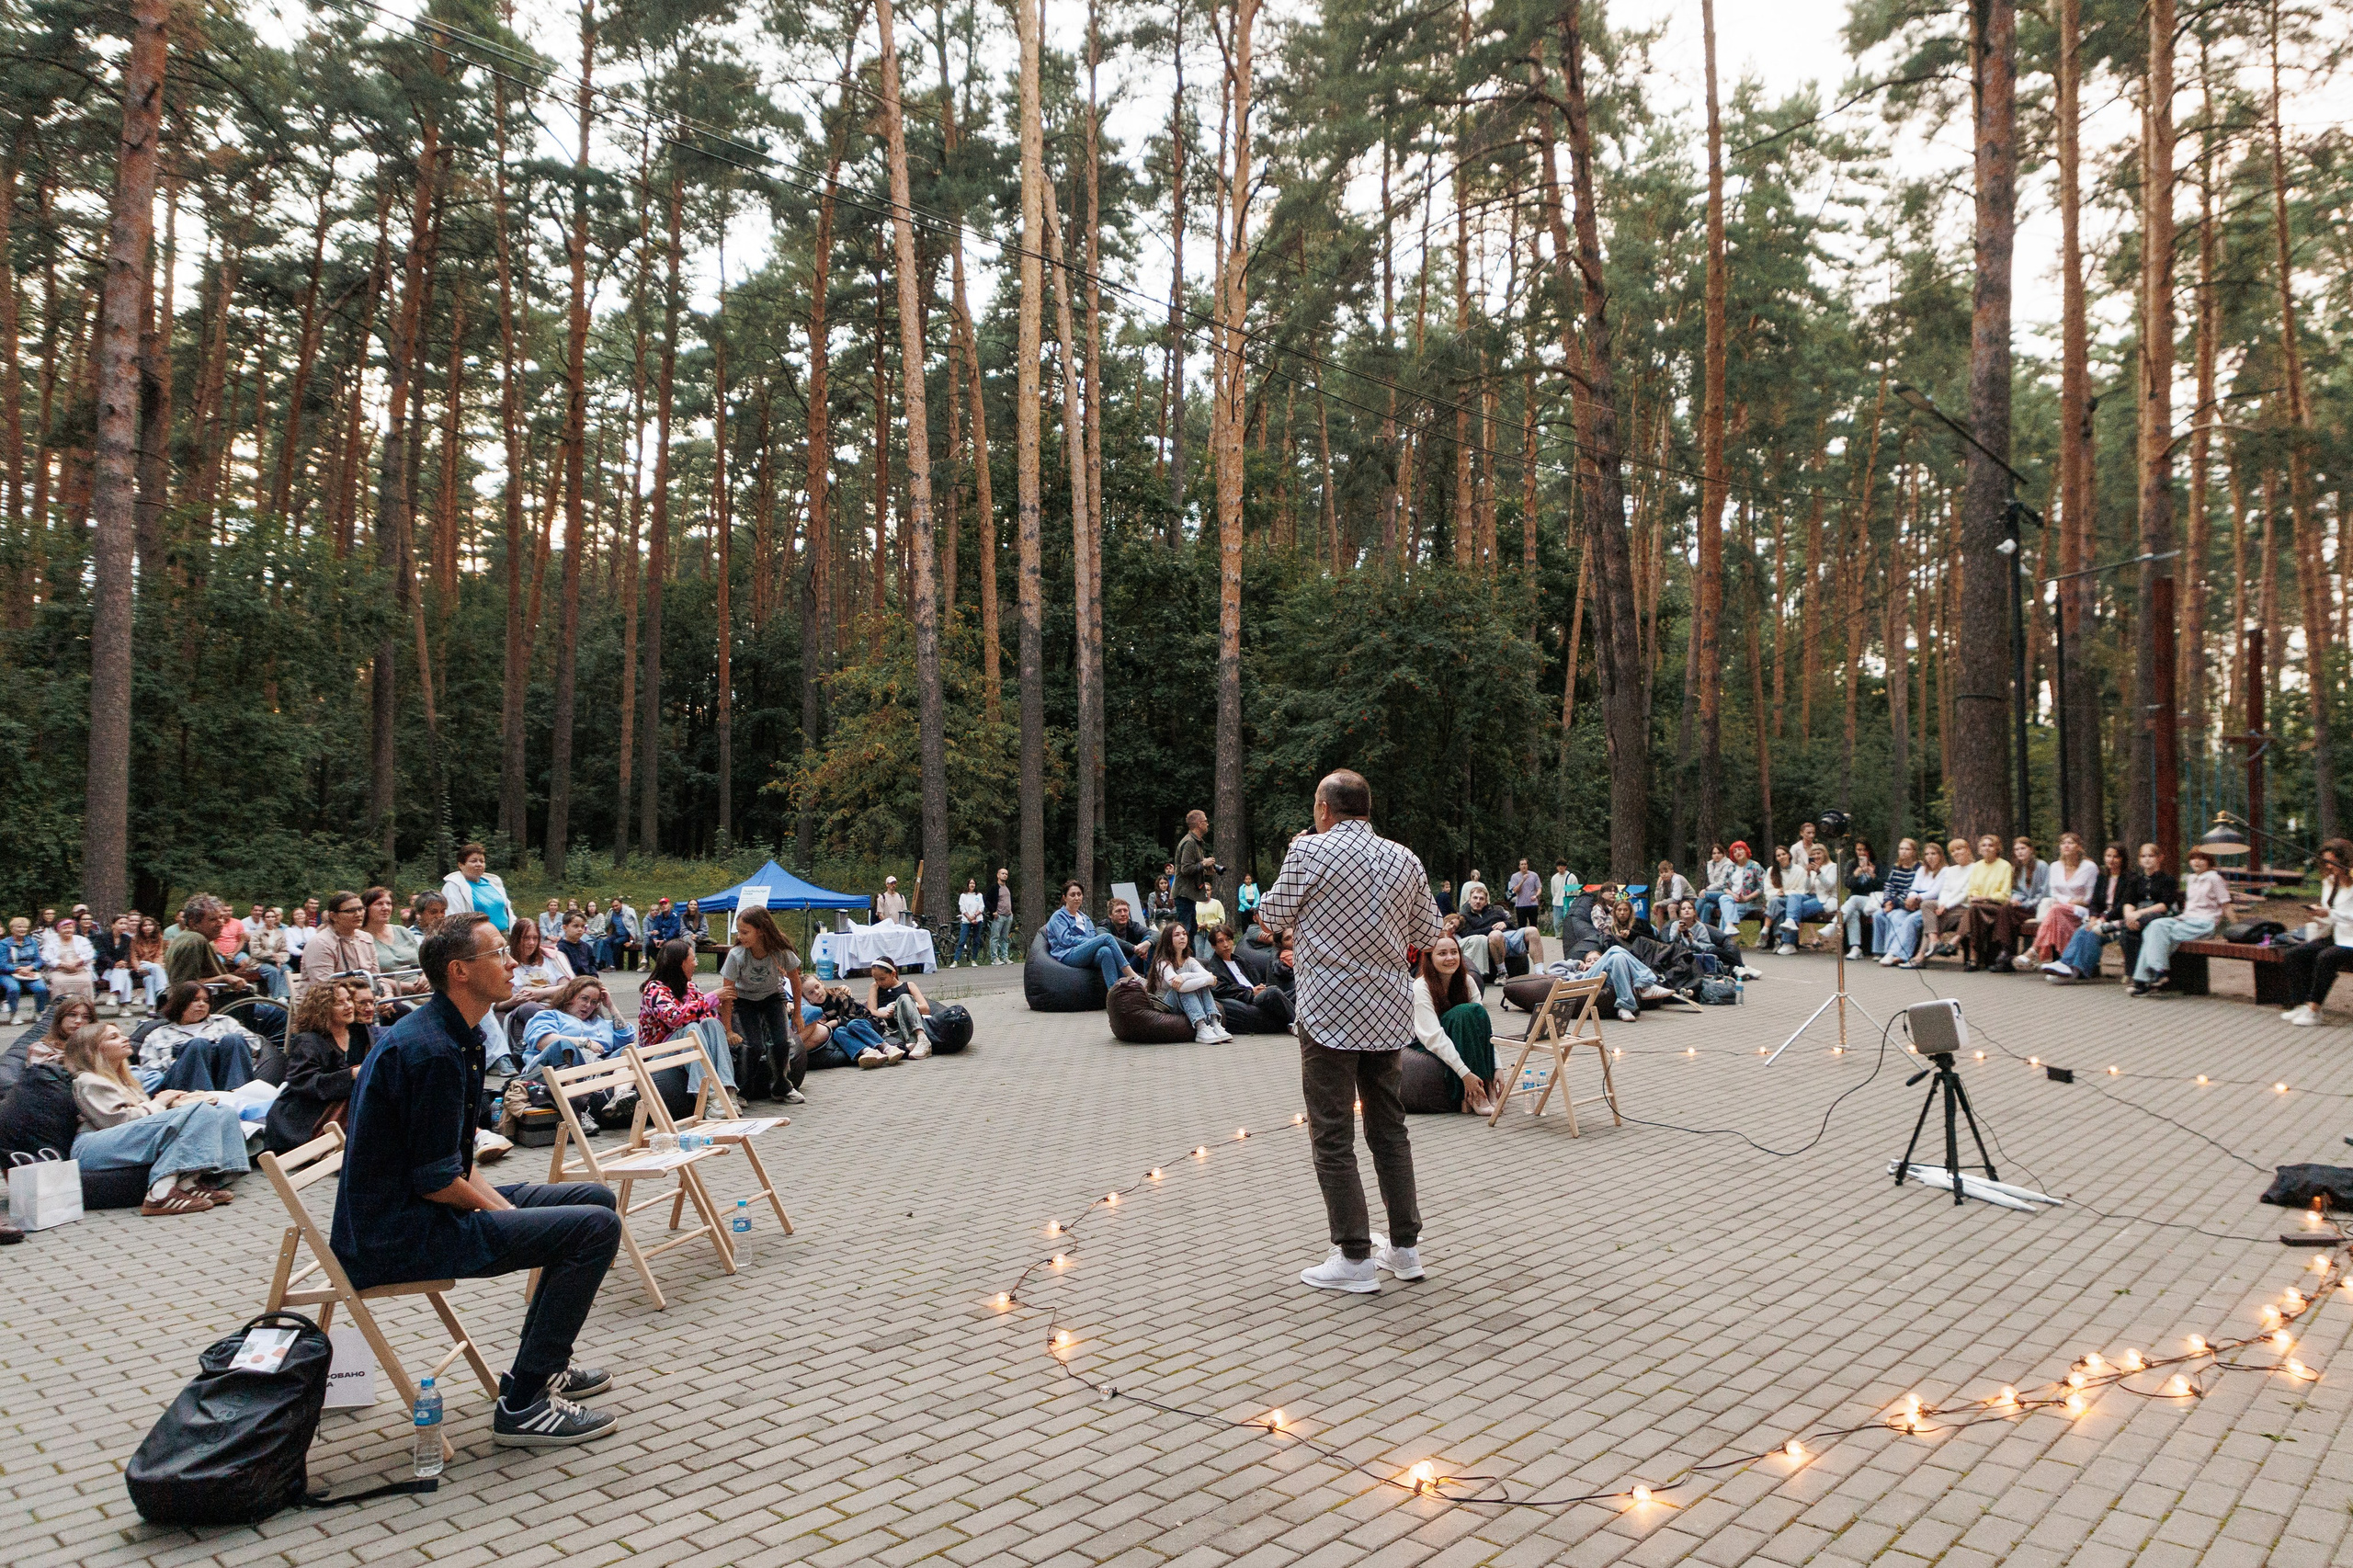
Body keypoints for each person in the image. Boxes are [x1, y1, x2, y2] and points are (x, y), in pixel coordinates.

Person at [331, 913, 622, 1446]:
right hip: (398, 1233)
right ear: (460, 971)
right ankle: (524, 1404)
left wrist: (509, 1214)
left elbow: (450, 1170)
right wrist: (509, 1218)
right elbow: (437, 1181)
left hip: (425, 1204)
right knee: (593, 1229)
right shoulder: (431, 1050)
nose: (513, 962)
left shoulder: (456, 1035)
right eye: (498, 954)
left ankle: (545, 1363)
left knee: (595, 1198)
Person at [1256, 769, 1440, 1294]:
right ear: (1368, 806)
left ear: (1323, 809)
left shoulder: (1310, 853)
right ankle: (1405, 1249)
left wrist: (1298, 856)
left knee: (1333, 1135)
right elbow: (1428, 933)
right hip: (1386, 1013)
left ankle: (1355, 1254)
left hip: (1329, 1015)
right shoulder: (1405, 858)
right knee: (1390, 1130)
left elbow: (1268, 915)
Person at [64, 1022, 251, 1216]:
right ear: (92, 1049)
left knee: (224, 1112)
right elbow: (115, 1121)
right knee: (200, 1111)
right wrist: (160, 1103)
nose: (125, 1038)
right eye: (114, 1037)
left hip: (115, 1139)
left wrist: (174, 1105)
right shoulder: (89, 1080)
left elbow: (139, 1119)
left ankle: (193, 1182)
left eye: (121, 1034)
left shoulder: (124, 1080)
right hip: (92, 1147)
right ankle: (160, 1195)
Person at [265, 980, 372, 1154]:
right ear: (323, 1009)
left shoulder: (360, 1033)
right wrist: (350, 1074)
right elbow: (303, 1082)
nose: (348, 1006)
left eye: (349, 1000)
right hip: (307, 1112)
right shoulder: (308, 1040)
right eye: (339, 1003)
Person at [719, 907, 806, 1102]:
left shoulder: (781, 951)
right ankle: (742, 1092)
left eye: (745, 932)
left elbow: (795, 979)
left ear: (761, 930)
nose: (740, 937)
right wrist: (728, 1029)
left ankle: (781, 1088)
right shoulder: (736, 955)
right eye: (738, 932)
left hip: (772, 997)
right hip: (744, 1000)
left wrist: (798, 1014)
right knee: (753, 1046)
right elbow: (727, 994)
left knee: (781, 1042)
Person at [2046, 843, 2166, 983]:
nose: (2111, 860)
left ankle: (2077, 971)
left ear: (2122, 859)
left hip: (2117, 921)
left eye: (2116, 857)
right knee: (2083, 929)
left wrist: (2103, 919)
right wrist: (2093, 917)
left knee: (2092, 933)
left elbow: (2122, 906)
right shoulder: (2102, 877)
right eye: (2108, 856)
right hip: (2101, 919)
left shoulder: (2130, 879)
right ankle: (2065, 965)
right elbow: (2095, 902)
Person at [165, 897, 287, 1035]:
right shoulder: (194, 941)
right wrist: (224, 978)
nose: (221, 923)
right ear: (193, 922)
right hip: (218, 1007)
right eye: (213, 919)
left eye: (222, 918)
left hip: (218, 1003)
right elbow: (184, 985)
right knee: (283, 1011)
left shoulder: (189, 938)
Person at [1409, 936, 1495, 1115]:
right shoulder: (1420, 986)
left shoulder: (1467, 981)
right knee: (1463, 1013)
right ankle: (1472, 1096)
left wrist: (1497, 1067)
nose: (1450, 958)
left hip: (1460, 1037)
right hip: (1425, 1044)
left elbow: (1484, 1028)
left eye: (1454, 952)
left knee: (1475, 1013)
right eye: (1442, 954)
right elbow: (1433, 1037)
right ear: (1430, 959)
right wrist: (1465, 1074)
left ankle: (1487, 1085)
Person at [2131, 847, 2232, 996]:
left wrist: (2235, 928)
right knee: (2154, 926)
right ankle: (2157, 973)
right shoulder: (2191, 879)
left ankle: (2144, 979)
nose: (2196, 862)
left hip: (2204, 923)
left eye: (2201, 858)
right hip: (2186, 920)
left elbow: (2226, 905)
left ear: (2209, 861)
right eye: (2193, 858)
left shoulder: (2214, 878)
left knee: (2159, 934)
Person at [2280, 838, 2353, 1026]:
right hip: (2337, 935)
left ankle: (2314, 1009)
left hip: (2350, 940)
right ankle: (2301, 1004)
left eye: (2333, 861)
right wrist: (2318, 915)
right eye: (2326, 861)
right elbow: (2331, 917)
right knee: (2295, 954)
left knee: (2325, 957)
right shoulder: (2329, 882)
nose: (2329, 866)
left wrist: (2330, 913)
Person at [137, 983, 259, 1093]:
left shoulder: (224, 1022)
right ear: (180, 1003)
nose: (201, 1004)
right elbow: (148, 1071)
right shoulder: (158, 1034)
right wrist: (179, 1058)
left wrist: (219, 1049)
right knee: (198, 1044)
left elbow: (255, 1045)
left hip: (226, 1077)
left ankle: (237, 1094)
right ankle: (203, 1101)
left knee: (233, 1039)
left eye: (206, 1001)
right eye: (195, 1000)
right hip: (183, 1086)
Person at [517, 978, 639, 1077]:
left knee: (636, 1050)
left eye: (594, 1002)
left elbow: (626, 1040)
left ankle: (620, 1096)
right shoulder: (549, 1016)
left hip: (601, 1067)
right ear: (570, 997)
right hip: (558, 1069)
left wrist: (611, 1006)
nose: (588, 1005)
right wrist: (585, 1043)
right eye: (584, 998)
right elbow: (543, 1042)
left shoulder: (600, 1023)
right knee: (563, 1045)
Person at [1043, 881, 1143, 990]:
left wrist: (1092, 943)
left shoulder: (1085, 918)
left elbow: (1093, 937)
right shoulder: (1058, 916)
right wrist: (1090, 943)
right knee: (1107, 937)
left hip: (1085, 953)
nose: (1076, 898)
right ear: (1065, 898)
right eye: (1072, 895)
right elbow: (1065, 940)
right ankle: (1131, 974)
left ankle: (1114, 993)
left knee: (1106, 951)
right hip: (1067, 954)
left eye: (1079, 894)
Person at [1147, 922, 1229, 1043]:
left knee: (1200, 984)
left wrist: (1185, 976)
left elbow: (1206, 976)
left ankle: (1214, 1022)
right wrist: (1208, 980)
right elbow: (1180, 986)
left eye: (1184, 934)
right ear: (1168, 939)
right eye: (1177, 935)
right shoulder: (1162, 962)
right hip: (1167, 1004)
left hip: (1185, 1000)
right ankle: (1200, 1027)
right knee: (1183, 987)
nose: (1182, 937)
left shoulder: (1189, 960)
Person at [2026, 834, 2098, 967]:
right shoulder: (2055, 866)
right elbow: (2053, 892)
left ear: (2079, 847)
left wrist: (2069, 902)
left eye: (2070, 843)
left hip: (2082, 910)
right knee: (2056, 913)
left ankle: (2035, 950)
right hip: (2059, 908)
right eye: (2063, 843)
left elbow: (2089, 897)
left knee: (2055, 910)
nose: (2066, 845)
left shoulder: (2089, 867)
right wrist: (2070, 900)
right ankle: (2064, 962)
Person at [1204, 926, 1293, 1032]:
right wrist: (1250, 992)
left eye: (1228, 939)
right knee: (1273, 992)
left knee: (1296, 992)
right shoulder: (1214, 968)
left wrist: (1262, 987)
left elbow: (1259, 979)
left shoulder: (1241, 961)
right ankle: (1299, 1023)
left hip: (1262, 993)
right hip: (1249, 999)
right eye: (1220, 941)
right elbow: (1222, 990)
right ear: (1213, 946)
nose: (1226, 944)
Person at [301, 890, 382, 1000]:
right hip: (328, 1005)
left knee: (399, 1009)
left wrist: (387, 995)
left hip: (365, 1000)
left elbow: (376, 977)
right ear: (333, 916)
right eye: (350, 911)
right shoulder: (320, 943)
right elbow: (324, 988)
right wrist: (368, 999)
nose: (358, 914)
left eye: (361, 909)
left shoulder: (366, 938)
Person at [1956, 833, 2017, 971]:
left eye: (1991, 845)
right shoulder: (1977, 866)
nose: (1987, 848)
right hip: (1980, 907)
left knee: (1973, 910)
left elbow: (2005, 895)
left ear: (1997, 848)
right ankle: (1973, 955)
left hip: (1997, 908)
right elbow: (1972, 890)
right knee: (1974, 911)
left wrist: (1985, 898)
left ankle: (1970, 953)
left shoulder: (2005, 866)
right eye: (1984, 845)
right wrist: (1978, 898)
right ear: (1979, 849)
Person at [1988, 836, 2050, 970]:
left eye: (2023, 848)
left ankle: (2006, 953)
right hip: (2022, 907)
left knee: (2007, 914)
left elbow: (2044, 892)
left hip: (2037, 908)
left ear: (2031, 849)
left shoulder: (2041, 866)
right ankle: (2006, 953)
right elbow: (2017, 890)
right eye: (2017, 849)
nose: (2020, 852)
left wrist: (2025, 904)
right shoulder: (2017, 867)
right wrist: (2015, 900)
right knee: (2005, 910)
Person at [1449, 881, 1527, 982]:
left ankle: (1539, 971)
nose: (1478, 901)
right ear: (1469, 900)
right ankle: (1500, 972)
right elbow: (1467, 934)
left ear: (1486, 902)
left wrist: (1505, 924)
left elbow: (1513, 925)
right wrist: (1493, 928)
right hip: (1488, 942)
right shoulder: (1464, 917)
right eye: (1475, 898)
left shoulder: (1496, 911)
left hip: (1505, 940)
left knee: (1531, 931)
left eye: (1481, 899)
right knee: (1493, 935)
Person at [440, 845, 514, 934]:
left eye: (482, 861)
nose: (479, 864)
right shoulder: (453, 886)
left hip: (504, 934)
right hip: (477, 939)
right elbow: (452, 918)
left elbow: (507, 911)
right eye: (474, 861)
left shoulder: (494, 883)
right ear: (461, 865)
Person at [866, 958, 933, 1053]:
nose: (879, 983)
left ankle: (921, 1038)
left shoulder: (909, 985)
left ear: (893, 974)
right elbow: (871, 1011)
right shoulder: (875, 987)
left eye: (882, 979)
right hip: (891, 1029)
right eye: (876, 979)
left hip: (910, 1026)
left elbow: (926, 1009)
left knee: (904, 998)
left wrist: (901, 1008)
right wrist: (886, 1014)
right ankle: (911, 1044)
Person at [113, 914, 169, 1014]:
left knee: (149, 979)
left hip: (155, 966)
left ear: (154, 926)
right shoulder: (135, 939)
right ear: (141, 928)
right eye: (145, 925)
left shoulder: (159, 938)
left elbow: (160, 954)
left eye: (150, 925)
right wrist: (138, 968)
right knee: (154, 968)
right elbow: (133, 957)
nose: (147, 927)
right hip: (142, 965)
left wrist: (156, 966)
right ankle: (163, 991)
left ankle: (151, 1006)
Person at [1836, 842, 1883, 960]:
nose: (1861, 853)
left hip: (1871, 900)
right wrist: (1857, 874)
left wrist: (1872, 875)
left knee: (1854, 899)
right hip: (1855, 902)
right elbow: (1848, 884)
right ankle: (1855, 947)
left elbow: (1882, 885)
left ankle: (1834, 923)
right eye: (1858, 850)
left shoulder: (1878, 864)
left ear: (1869, 850)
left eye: (1864, 850)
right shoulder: (1852, 864)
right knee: (1852, 912)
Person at [1175, 810, 1218, 937]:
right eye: (1205, 821)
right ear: (1199, 824)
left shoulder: (1196, 842)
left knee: (1191, 930)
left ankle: (1189, 957)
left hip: (1190, 894)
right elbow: (1186, 869)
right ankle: (1182, 957)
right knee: (1184, 932)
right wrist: (1204, 864)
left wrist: (1206, 871)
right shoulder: (1189, 842)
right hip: (1184, 894)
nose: (1207, 824)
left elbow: (1193, 867)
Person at [508, 919, 574, 1000]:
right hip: (520, 1008)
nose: (532, 942)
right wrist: (513, 1002)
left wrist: (539, 993)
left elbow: (568, 988)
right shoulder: (506, 964)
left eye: (535, 938)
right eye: (526, 938)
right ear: (516, 939)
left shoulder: (551, 959)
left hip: (552, 1005)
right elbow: (496, 1005)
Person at [1758, 847, 1805, 954]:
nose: (1781, 857)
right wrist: (1777, 892)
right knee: (1778, 904)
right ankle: (1778, 940)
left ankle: (1766, 929)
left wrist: (1785, 893)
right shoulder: (1772, 870)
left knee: (1777, 902)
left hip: (1793, 899)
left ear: (1789, 855)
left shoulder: (1799, 870)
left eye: (1783, 854)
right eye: (1778, 855)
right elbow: (1767, 889)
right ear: (1776, 858)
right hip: (1777, 899)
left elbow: (1801, 890)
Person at [2, 917, 48, 1025]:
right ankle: (14, 1013)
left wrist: (30, 968)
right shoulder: (4, 944)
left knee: (41, 988)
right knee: (13, 988)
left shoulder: (32, 942)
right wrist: (17, 969)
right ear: (12, 929)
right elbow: (2, 963)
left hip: (29, 972)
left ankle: (38, 1012)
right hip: (8, 973)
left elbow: (39, 960)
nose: (22, 929)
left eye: (25, 927)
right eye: (19, 927)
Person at [1716, 842, 1768, 934]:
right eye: (1734, 851)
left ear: (1746, 850)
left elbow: (1762, 887)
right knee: (1723, 898)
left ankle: (1724, 937)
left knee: (1726, 914)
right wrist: (1733, 895)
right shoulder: (1731, 868)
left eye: (1740, 849)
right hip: (1735, 900)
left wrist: (1746, 898)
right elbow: (1724, 887)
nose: (1738, 852)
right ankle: (1729, 929)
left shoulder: (1755, 866)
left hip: (1751, 902)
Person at [43, 916, 97, 1003]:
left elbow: (90, 953)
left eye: (70, 928)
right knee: (58, 982)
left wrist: (77, 961)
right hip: (59, 971)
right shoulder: (51, 942)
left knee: (86, 981)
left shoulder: (81, 940)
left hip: (80, 970)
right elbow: (46, 957)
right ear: (58, 930)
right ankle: (59, 1008)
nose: (68, 930)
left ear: (74, 929)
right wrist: (63, 964)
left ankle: (86, 1006)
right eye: (64, 928)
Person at [1694, 846, 1733, 928]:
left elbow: (1721, 883)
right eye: (1714, 853)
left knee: (1704, 895)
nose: (1716, 855)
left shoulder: (1728, 864)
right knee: (1707, 906)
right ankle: (1703, 931)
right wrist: (1711, 866)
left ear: (1723, 854)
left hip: (1726, 892)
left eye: (1719, 853)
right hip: (1715, 893)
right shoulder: (1711, 864)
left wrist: (1706, 889)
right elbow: (1712, 881)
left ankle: (1690, 917)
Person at [952, 878, 986, 966]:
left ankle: (974, 960)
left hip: (977, 920)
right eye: (971, 883)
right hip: (966, 920)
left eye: (974, 883)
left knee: (976, 940)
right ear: (968, 885)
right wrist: (969, 918)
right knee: (962, 940)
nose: (972, 885)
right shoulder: (963, 896)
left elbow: (981, 907)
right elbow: (962, 908)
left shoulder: (979, 895)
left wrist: (975, 916)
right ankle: (956, 961)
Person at [557, 914, 600, 979]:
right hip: (571, 981)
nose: (580, 929)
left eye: (582, 926)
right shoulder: (560, 948)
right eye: (575, 926)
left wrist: (594, 977)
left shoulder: (587, 947)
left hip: (587, 980)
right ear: (565, 927)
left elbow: (591, 965)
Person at [607, 895, 642, 971]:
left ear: (621, 904)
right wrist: (608, 935)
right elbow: (610, 925)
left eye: (616, 905)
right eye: (613, 906)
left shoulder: (628, 911)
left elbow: (633, 927)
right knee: (606, 942)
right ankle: (609, 964)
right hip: (617, 933)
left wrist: (631, 941)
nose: (615, 908)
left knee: (616, 942)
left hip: (626, 935)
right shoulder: (612, 912)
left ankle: (614, 965)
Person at [988, 869, 1016, 964]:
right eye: (1003, 874)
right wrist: (993, 911)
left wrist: (1011, 912)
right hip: (999, 916)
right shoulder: (995, 888)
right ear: (998, 875)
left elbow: (1009, 901)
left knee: (1005, 938)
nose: (1005, 875)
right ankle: (994, 958)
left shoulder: (1007, 888)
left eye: (1006, 874)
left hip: (1008, 916)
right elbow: (987, 900)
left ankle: (1005, 957)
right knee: (995, 937)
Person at [1507, 859, 1543, 928]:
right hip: (1521, 905)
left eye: (1525, 864)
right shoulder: (1514, 876)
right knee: (1521, 926)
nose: (1524, 866)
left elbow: (1539, 888)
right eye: (1522, 864)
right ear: (1519, 866)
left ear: (1527, 865)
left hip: (1532, 904)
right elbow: (1515, 890)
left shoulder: (1534, 875)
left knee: (1533, 926)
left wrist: (1536, 895)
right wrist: (1522, 880)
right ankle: (1522, 939)